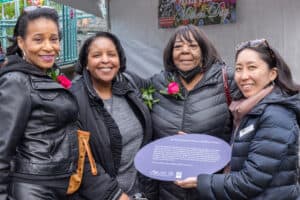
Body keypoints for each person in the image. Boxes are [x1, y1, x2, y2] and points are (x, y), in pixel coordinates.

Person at [175, 38, 300, 199]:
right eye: (239, 69)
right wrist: (199, 147)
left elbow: (250, 181)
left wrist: (201, 182)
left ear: (272, 74)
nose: (243, 76)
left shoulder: (276, 115)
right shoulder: (248, 109)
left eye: (252, 68)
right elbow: (240, 152)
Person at [129, 24, 239, 200]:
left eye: (193, 46)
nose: (185, 51)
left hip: (211, 189)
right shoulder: (157, 83)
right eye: (178, 46)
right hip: (167, 190)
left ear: (204, 51)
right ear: (170, 54)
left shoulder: (227, 81)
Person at [0, 6, 81, 200]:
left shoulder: (44, 75)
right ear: (21, 42)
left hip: (59, 185)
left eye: (53, 39)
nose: (48, 47)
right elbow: (2, 150)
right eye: (38, 39)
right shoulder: (17, 81)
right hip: (34, 188)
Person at [70, 31, 155, 200]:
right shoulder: (74, 99)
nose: (105, 60)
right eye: (96, 55)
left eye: (111, 54)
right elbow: (79, 161)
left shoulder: (129, 83)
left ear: (119, 60)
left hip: (141, 191)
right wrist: (116, 196)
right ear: (86, 62)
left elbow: (163, 88)